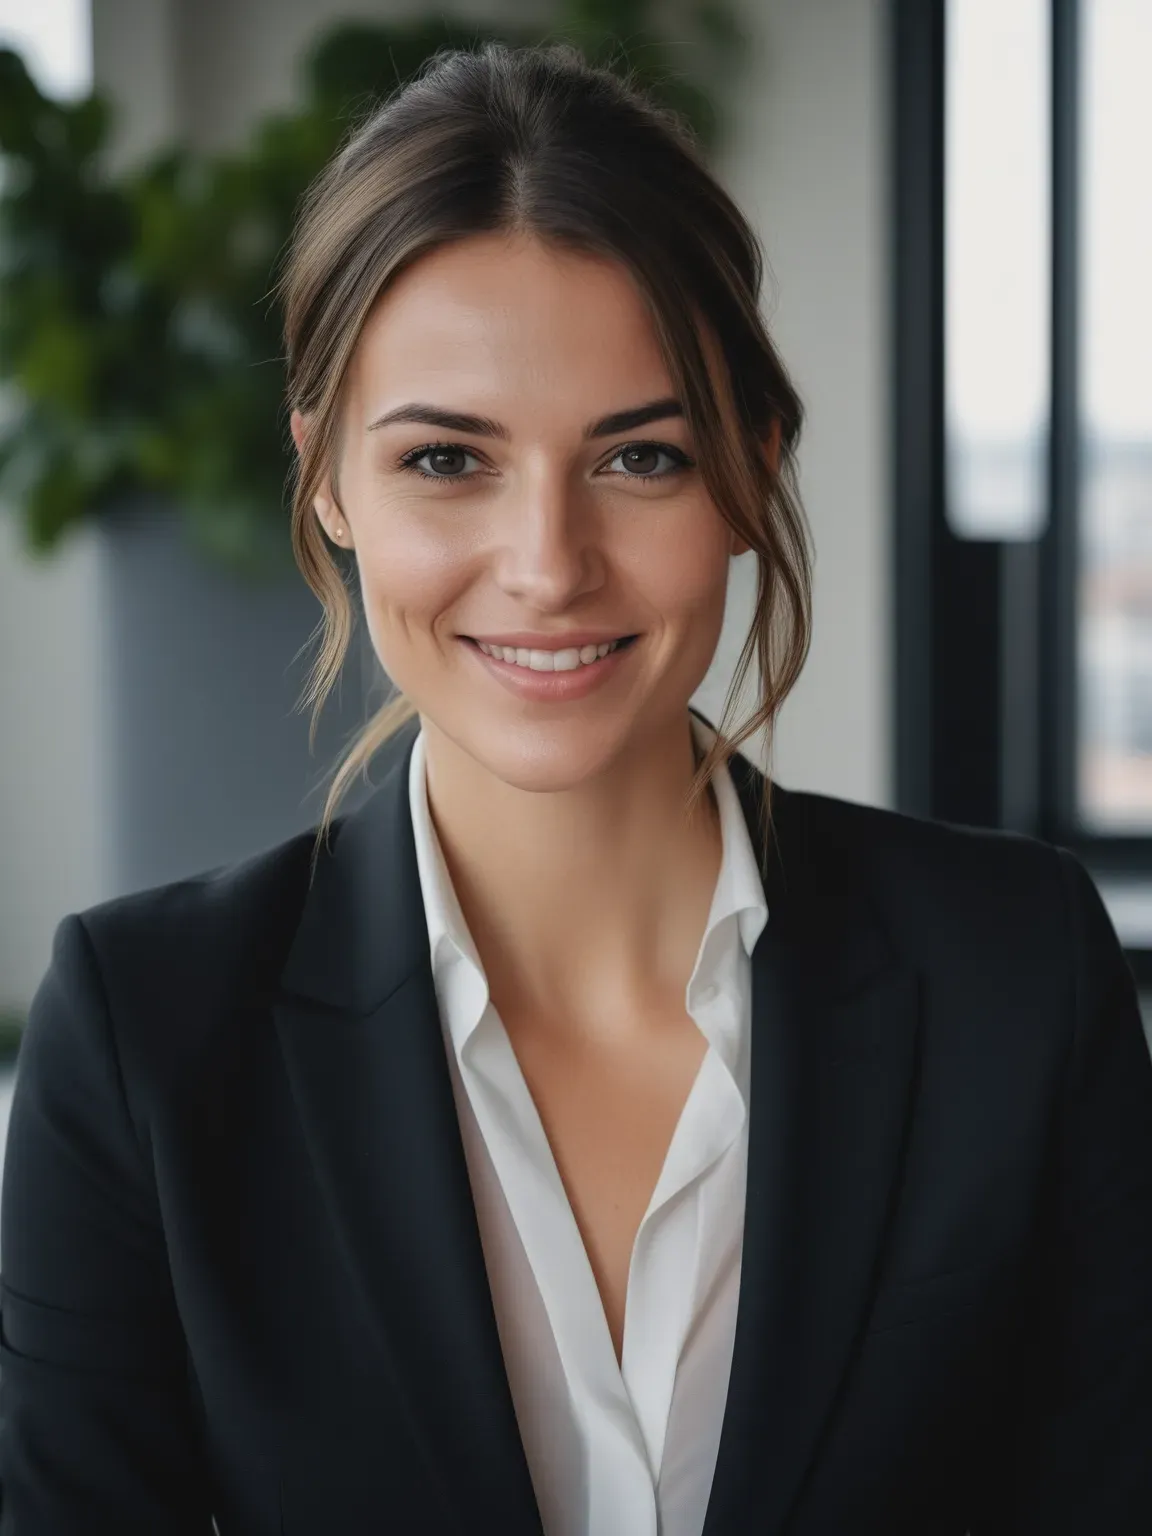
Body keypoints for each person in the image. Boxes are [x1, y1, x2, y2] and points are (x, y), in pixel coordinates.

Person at [1, 38, 1150, 1536]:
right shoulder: (146, 1038)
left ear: (752, 468)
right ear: (328, 477)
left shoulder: (1019, 976)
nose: (547, 567)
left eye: (640, 458)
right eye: (446, 460)